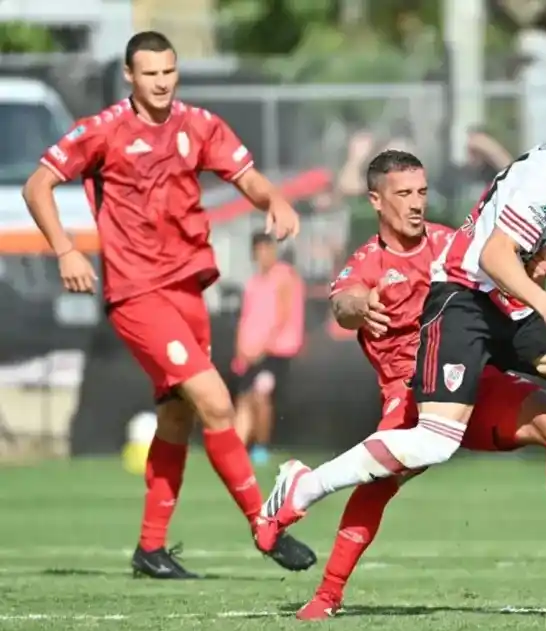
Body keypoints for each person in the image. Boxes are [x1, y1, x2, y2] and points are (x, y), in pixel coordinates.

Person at [257, 150, 546, 619]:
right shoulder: (367, 261)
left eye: (421, 192)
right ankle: (328, 593)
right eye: (403, 194)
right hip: (409, 390)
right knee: (383, 479)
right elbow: (343, 303)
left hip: (473, 374)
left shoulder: (448, 244)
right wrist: (358, 307)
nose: (416, 203)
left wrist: (537, 259)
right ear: (376, 201)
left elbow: (502, 252)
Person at [21, 31, 316, 578]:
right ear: (130, 77)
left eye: (168, 72)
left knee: (177, 416)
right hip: (137, 293)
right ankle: (265, 525)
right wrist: (66, 250)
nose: (161, 82)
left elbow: (244, 176)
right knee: (216, 401)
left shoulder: (198, 125)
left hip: (188, 289)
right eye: (149, 73)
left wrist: (273, 198)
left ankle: (150, 549)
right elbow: (37, 185)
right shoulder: (103, 130)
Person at [232, 232, 306, 464]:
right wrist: (241, 349)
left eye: (268, 249)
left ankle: (261, 449)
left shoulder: (285, 276)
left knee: (261, 396)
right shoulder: (253, 283)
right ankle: (235, 449)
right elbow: (245, 319)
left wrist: (263, 346)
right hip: (250, 353)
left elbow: (283, 314)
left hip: (275, 352)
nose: (264, 255)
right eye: (259, 251)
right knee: (244, 399)